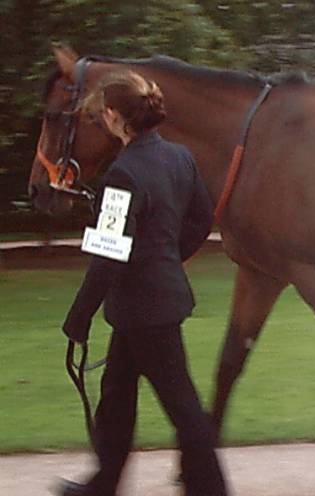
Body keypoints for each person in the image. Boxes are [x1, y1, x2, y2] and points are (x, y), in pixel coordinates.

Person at [54, 71, 228, 496]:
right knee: (116, 396)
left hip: (143, 311)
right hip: (152, 305)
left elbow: (107, 255)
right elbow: (202, 219)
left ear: (115, 116)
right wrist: (166, 258)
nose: (103, 119)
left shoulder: (122, 175)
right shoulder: (179, 158)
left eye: (103, 113)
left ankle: (212, 489)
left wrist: (78, 317)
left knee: (182, 406)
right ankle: (103, 484)